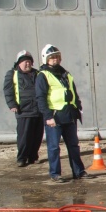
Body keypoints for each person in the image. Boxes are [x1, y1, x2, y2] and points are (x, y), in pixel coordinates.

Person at [35, 45, 91, 183]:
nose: (54, 59)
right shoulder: (43, 75)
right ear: (46, 59)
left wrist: (77, 106)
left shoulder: (66, 73)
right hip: (55, 116)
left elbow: (73, 92)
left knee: (73, 146)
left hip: (69, 115)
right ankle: (55, 174)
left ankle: (79, 171)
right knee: (54, 147)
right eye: (52, 57)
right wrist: (48, 116)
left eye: (56, 57)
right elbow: (40, 98)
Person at [3, 50, 44, 167]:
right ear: (19, 63)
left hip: (38, 110)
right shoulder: (12, 74)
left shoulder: (37, 73)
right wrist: (12, 104)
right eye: (25, 62)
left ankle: (33, 156)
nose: (28, 64)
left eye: (29, 62)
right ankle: (22, 158)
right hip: (24, 110)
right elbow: (8, 90)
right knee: (24, 136)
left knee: (37, 136)